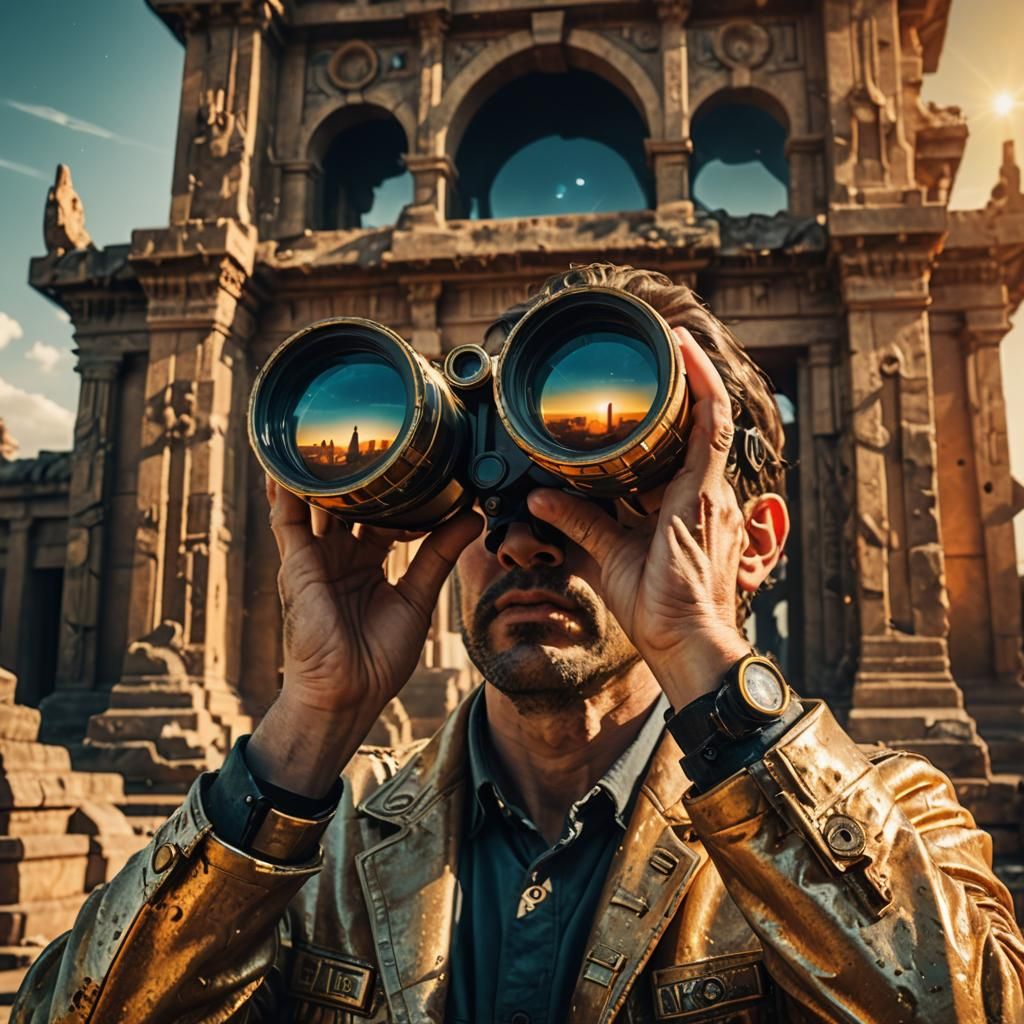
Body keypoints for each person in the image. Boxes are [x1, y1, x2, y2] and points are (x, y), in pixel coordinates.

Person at [14, 264, 1024, 1023]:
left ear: (748, 542)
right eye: (493, 486)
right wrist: (308, 721)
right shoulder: (315, 837)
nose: (528, 531)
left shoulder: (894, 815)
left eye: (610, 489)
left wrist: (704, 661)